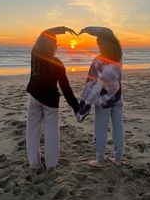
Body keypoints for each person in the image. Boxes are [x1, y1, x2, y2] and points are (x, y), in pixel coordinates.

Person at [26, 26, 79, 170]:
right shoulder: (57, 63)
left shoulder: (35, 54)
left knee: (32, 131)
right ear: (54, 46)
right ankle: (51, 165)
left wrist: (62, 29)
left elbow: (44, 33)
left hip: (34, 97)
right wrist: (76, 107)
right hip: (50, 102)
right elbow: (66, 89)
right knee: (51, 134)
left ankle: (35, 164)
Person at [76, 26, 124, 168]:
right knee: (118, 128)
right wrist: (89, 30)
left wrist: (84, 107)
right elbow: (108, 32)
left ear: (103, 44)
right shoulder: (119, 56)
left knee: (101, 129)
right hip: (117, 96)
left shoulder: (99, 61)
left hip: (103, 101)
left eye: (99, 43)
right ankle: (118, 158)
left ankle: (100, 160)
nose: (98, 46)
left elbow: (93, 86)